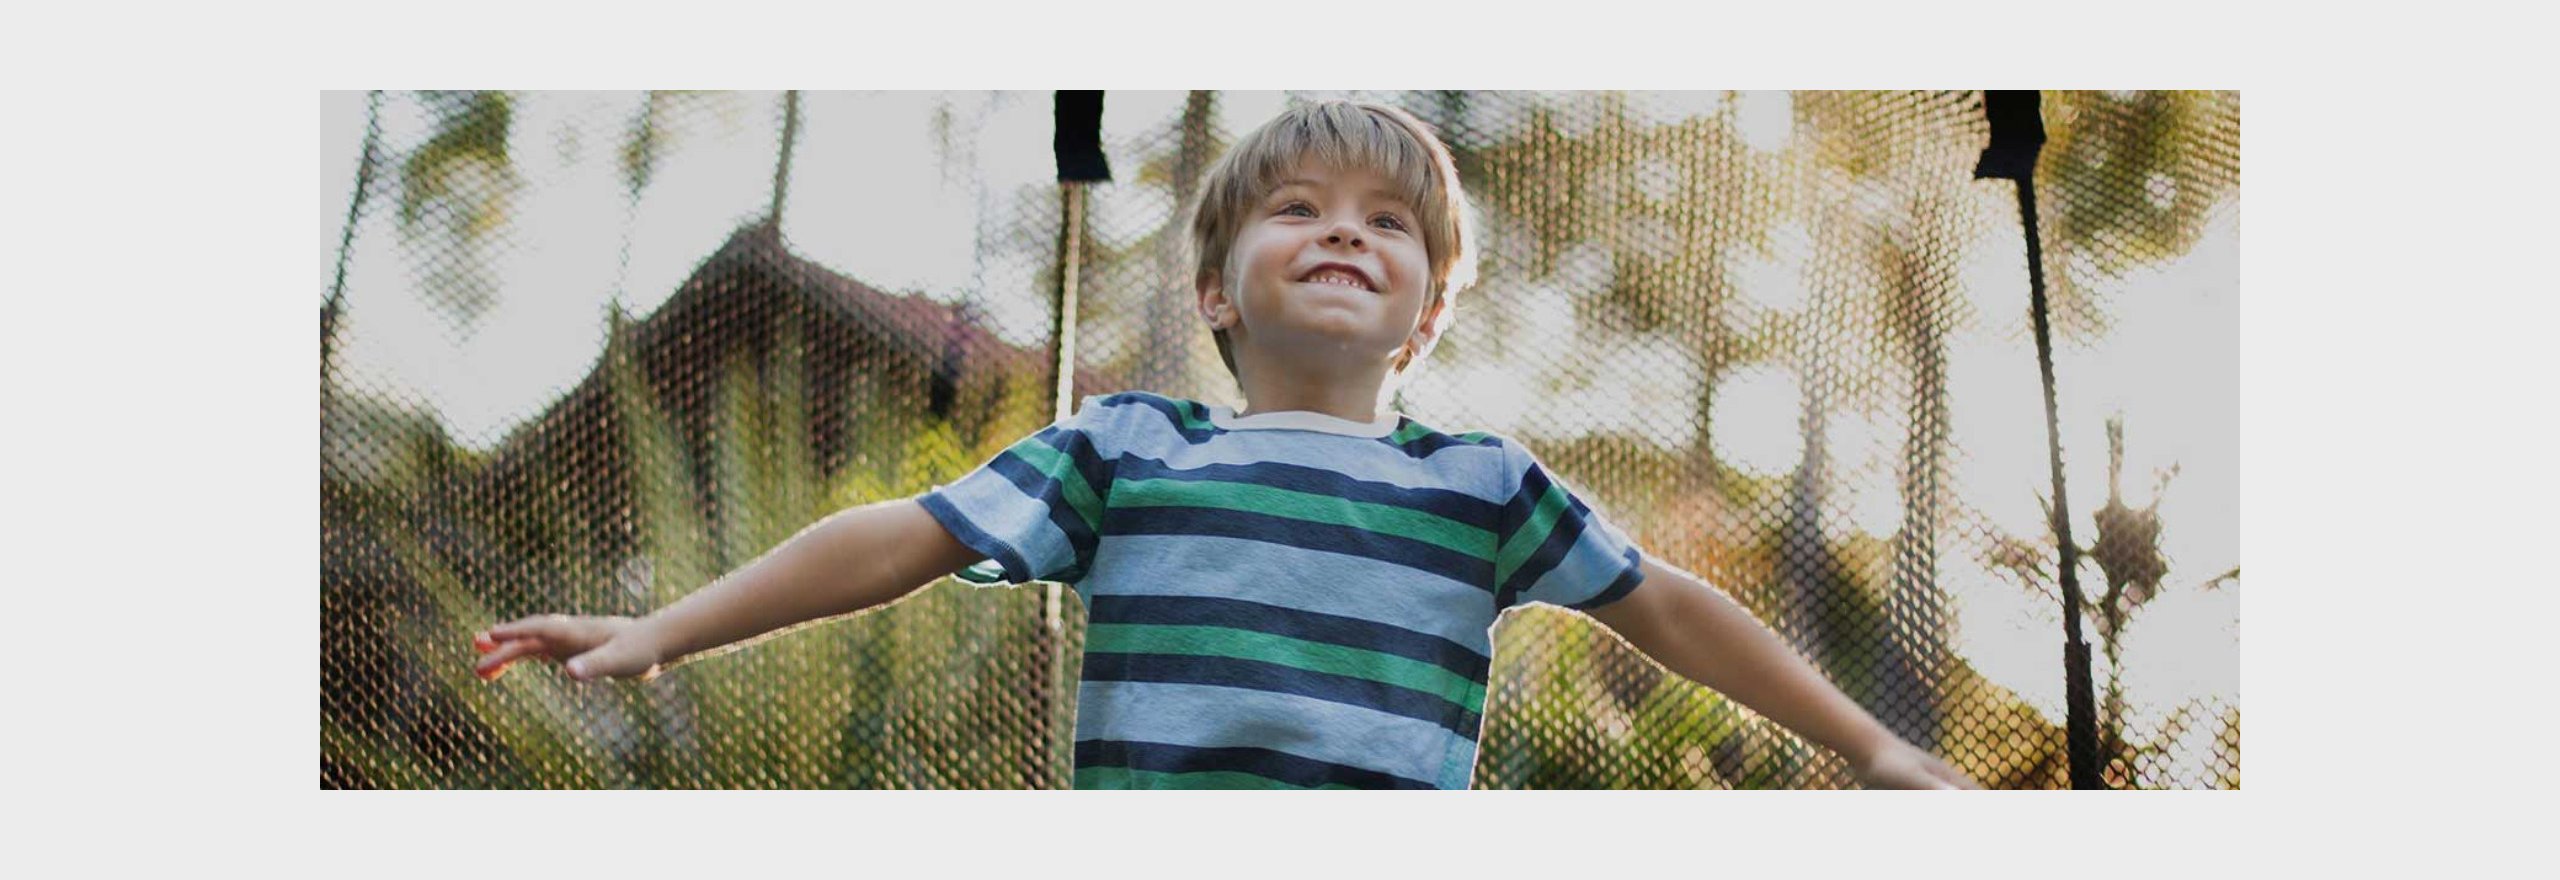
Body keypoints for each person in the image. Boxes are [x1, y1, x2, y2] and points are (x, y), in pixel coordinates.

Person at [473, 99, 1979, 791]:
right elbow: (902, 534)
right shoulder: (1130, 450)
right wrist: (668, 627)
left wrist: (1873, 746)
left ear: (1430, 315)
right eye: (1299, 207)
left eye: (1390, 222)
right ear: (1215, 288)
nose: (1345, 230)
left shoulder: (1482, 488)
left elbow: (1671, 607)